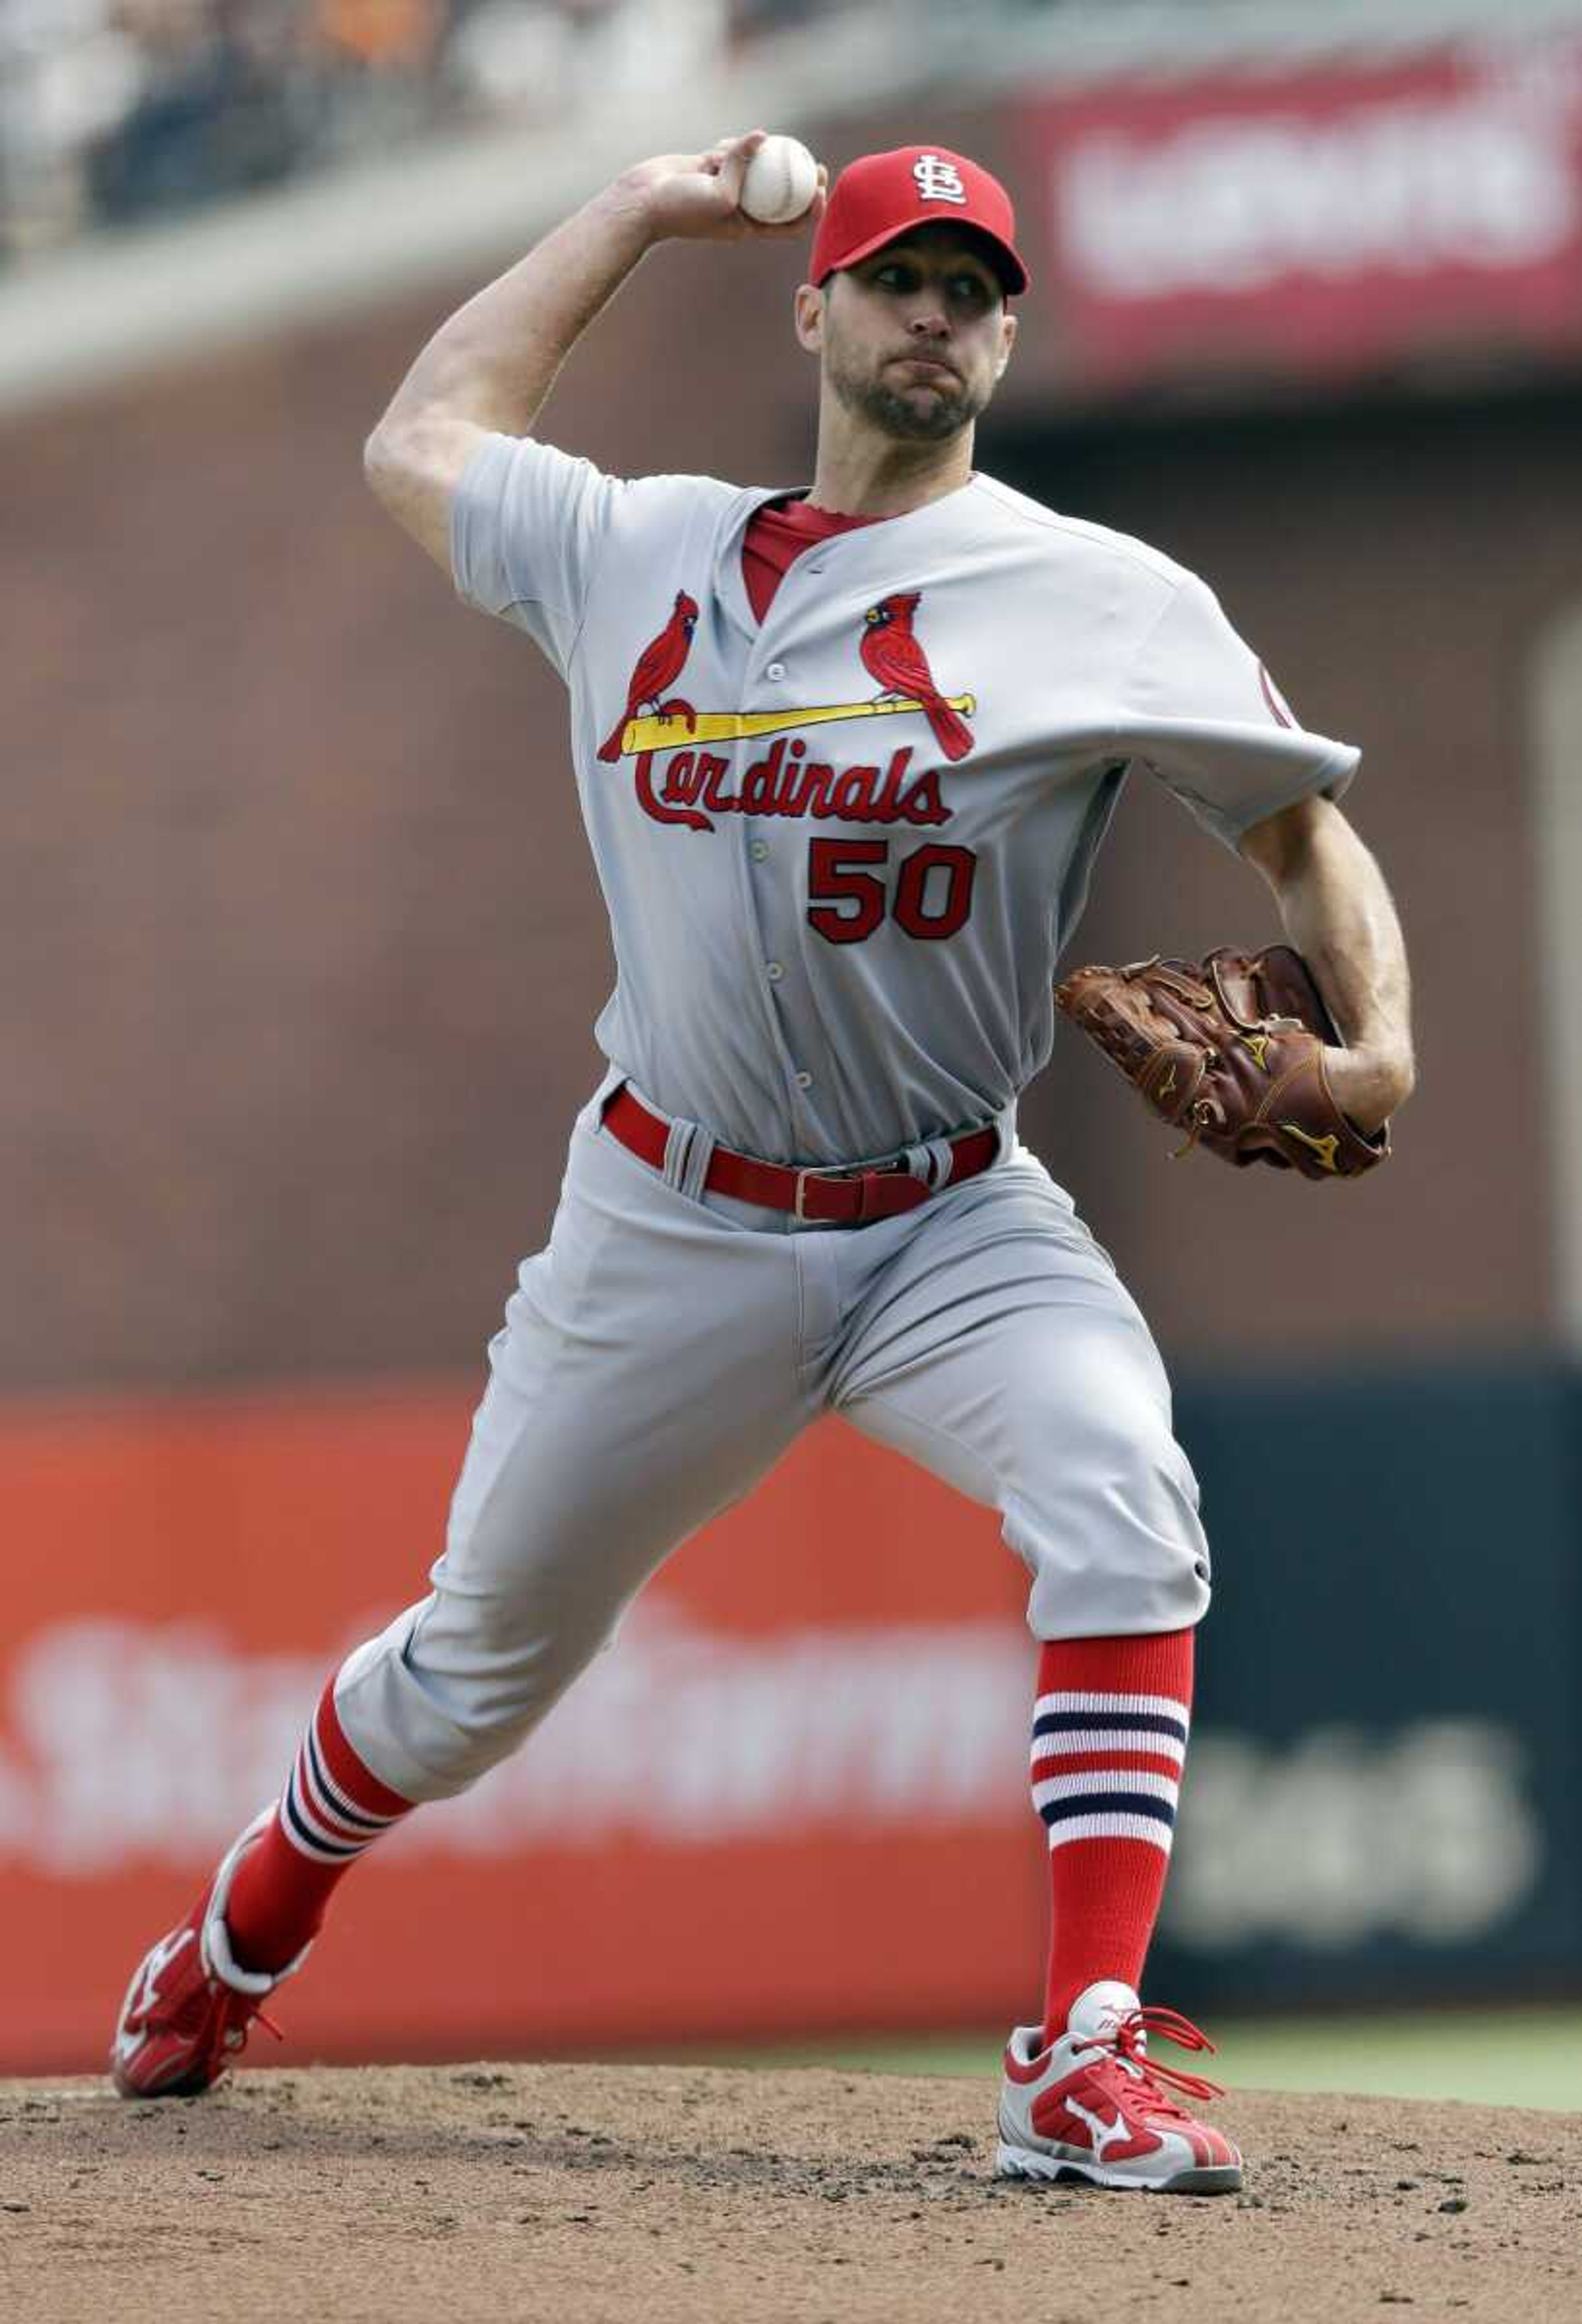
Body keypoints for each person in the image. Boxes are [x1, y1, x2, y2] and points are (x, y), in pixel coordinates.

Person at [109, 134, 1414, 2193]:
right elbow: (420, 431)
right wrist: (635, 208)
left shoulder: (1102, 597)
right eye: (901, 275)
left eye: (976, 288)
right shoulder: (632, 548)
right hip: (672, 1218)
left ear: (1008, 336)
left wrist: (1387, 1046)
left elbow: (1304, 836)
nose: (937, 314)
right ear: (814, 309)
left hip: (952, 1219)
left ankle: (1080, 2052)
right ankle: (241, 1923)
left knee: (1123, 1493)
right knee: (469, 1681)